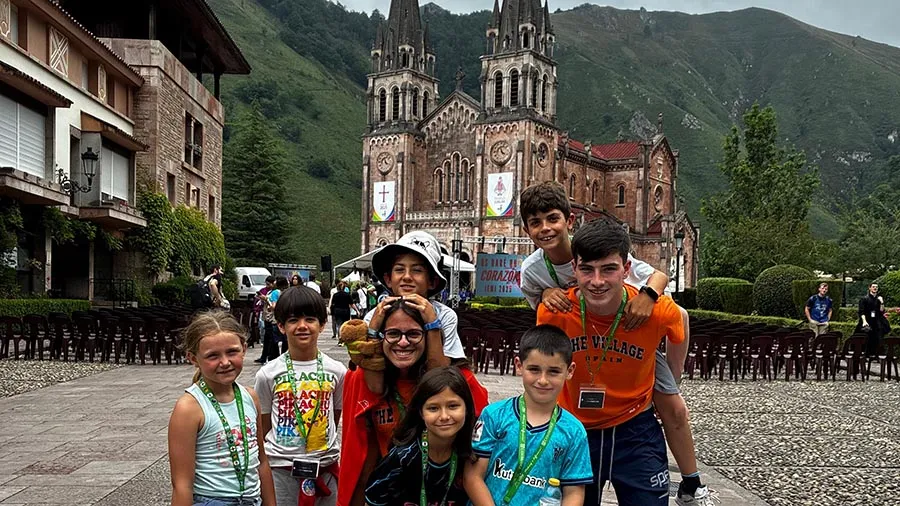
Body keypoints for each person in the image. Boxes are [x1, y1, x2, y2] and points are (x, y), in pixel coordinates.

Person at [517, 182, 712, 505]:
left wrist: (648, 296)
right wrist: (545, 296)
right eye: (535, 223)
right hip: (579, 392)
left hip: (633, 361)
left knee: (673, 406)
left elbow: (665, 289)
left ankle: (692, 485)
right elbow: (537, 315)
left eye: (552, 219)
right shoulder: (534, 271)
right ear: (525, 229)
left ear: (569, 219)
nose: (545, 229)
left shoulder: (611, 252)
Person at [536, 218, 686, 506]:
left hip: (636, 431)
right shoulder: (554, 312)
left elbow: (681, 323)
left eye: (608, 269)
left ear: (626, 269)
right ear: (574, 269)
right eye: (587, 269)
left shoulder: (657, 312)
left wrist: (673, 382)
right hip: (574, 432)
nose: (597, 281)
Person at [337, 299, 488, 506]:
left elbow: (484, 440)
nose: (403, 342)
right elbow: (360, 462)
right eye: (393, 334)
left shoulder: (459, 381)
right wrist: (372, 331)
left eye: (414, 334)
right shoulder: (363, 380)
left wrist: (433, 324)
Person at [463, 324, 593, 506]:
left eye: (554, 371)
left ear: (569, 371)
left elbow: (574, 493)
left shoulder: (574, 431)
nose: (543, 380)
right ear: (518, 366)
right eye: (534, 369)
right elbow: (472, 476)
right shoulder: (494, 416)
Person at [168, 311, 276, 506]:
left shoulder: (250, 397)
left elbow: (262, 461)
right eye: (212, 356)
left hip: (252, 499)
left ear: (244, 349)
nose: (225, 362)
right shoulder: (189, 408)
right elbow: (182, 484)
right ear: (193, 359)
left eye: (232, 352)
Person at [255, 286, 348, 506]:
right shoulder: (268, 373)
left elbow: (335, 415)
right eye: (293, 320)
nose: (302, 326)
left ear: (322, 325)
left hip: (325, 466)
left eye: (310, 319)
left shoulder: (337, 371)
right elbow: (265, 424)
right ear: (281, 326)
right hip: (282, 469)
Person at [363, 367, 474, 506]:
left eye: (453, 406)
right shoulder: (402, 458)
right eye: (433, 408)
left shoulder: (470, 456)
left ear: (467, 409)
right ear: (421, 413)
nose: (444, 416)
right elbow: (372, 502)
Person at [367, 230, 467, 369]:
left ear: (432, 281)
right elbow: (369, 371)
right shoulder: (374, 316)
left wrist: (433, 323)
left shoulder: (445, 316)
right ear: (388, 279)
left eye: (417, 270)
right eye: (399, 269)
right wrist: (372, 331)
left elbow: (441, 372)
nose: (407, 277)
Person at [858, 283, 889, 355]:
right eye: (873, 287)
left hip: (877, 320)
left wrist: (882, 302)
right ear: (870, 288)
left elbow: (882, 311)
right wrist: (864, 321)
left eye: (876, 287)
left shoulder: (879, 299)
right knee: (866, 336)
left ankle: (877, 354)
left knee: (879, 336)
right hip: (868, 319)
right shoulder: (864, 299)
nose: (875, 288)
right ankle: (865, 354)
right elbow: (861, 311)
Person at [255, 276, 277, 363]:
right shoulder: (268, 291)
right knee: (267, 338)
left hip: (271, 317)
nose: (267, 286)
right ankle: (265, 356)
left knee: (271, 338)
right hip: (266, 316)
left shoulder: (275, 292)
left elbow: (273, 304)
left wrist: (265, 299)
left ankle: (272, 356)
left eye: (269, 284)